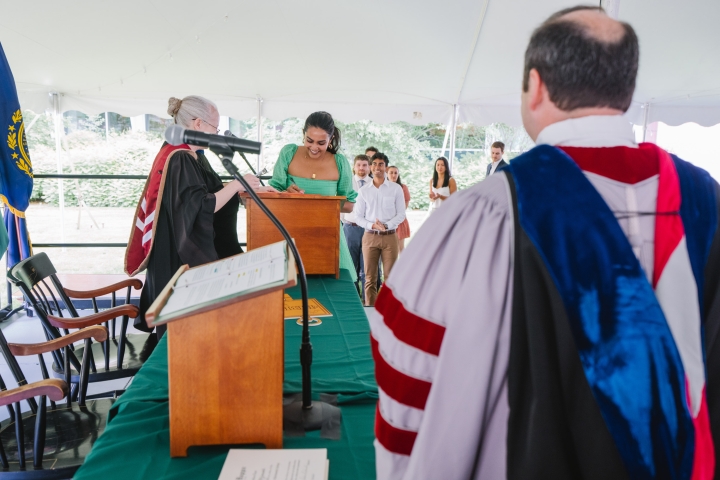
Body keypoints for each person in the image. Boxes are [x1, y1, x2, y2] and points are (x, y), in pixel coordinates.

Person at [371, 6, 720, 480]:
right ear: (627, 91)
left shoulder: (488, 211)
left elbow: (410, 366)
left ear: (535, 86)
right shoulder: (707, 202)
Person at [126, 95, 261, 337]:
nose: (217, 133)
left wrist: (240, 190)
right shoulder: (180, 158)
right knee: (180, 339)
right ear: (198, 124)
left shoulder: (192, 154)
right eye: (214, 127)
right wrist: (237, 184)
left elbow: (211, 194)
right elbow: (200, 208)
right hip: (176, 261)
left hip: (177, 253)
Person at [269, 111, 358, 281]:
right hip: (290, 233)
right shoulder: (289, 153)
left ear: (330, 140)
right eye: (309, 140)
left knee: (332, 288)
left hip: (328, 235)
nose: (314, 147)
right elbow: (272, 193)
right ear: (303, 134)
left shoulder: (340, 162)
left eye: (321, 142)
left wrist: (319, 204)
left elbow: (348, 205)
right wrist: (286, 192)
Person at [354, 153, 405, 306]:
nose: (377, 167)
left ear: (385, 167)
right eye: (374, 164)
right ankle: (370, 311)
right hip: (370, 237)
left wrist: (387, 226)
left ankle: (387, 312)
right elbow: (358, 217)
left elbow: (401, 214)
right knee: (369, 278)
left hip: (390, 237)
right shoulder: (364, 191)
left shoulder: (396, 189)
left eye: (381, 164)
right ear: (370, 167)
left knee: (390, 278)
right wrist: (373, 225)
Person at [342, 154, 371, 293]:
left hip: (368, 230)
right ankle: (352, 296)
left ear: (369, 167)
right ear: (354, 167)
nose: (361, 168)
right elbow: (342, 204)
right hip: (350, 228)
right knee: (350, 265)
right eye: (359, 165)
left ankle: (367, 300)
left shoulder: (374, 183)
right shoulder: (347, 183)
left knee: (367, 266)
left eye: (365, 165)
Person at [387, 165, 411, 252]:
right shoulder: (383, 187)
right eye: (391, 173)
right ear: (387, 174)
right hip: (386, 221)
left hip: (400, 221)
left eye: (395, 173)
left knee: (400, 248)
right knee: (389, 249)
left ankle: (403, 265)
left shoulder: (403, 187)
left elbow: (405, 204)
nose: (393, 175)